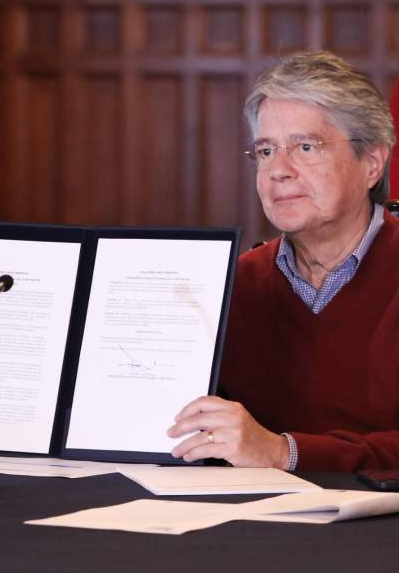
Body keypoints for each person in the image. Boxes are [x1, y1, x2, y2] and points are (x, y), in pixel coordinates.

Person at [168, 50, 399, 472]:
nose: (279, 170)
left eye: (306, 147)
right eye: (266, 151)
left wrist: (285, 453)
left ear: (372, 162)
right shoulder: (234, 284)